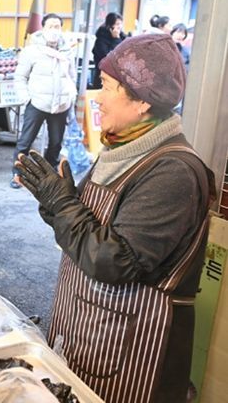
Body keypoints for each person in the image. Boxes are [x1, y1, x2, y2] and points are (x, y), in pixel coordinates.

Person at [16, 34, 214, 403]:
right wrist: (55, 203)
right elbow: (88, 231)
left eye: (107, 87)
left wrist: (64, 205)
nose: (98, 97)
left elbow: (116, 259)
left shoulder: (173, 172)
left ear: (142, 101)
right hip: (89, 330)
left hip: (132, 349)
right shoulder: (122, 147)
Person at [10, 13, 77, 189]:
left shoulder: (67, 51)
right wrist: (27, 99)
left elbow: (71, 77)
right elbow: (20, 77)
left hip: (60, 105)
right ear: (43, 28)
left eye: (57, 26)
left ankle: (48, 176)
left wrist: (70, 96)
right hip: (37, 103)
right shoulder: (32, 51)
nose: (54, 30)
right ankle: (18, 174)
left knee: (55, 143)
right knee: (25, 141)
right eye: (50, 26)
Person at [91, 12, 126, 89]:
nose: (119, 26)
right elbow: (108, 56)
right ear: (110, 25)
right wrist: (116, 39)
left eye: (120, 24)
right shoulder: (101, 39)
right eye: (117, 24)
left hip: (119, 76)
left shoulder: (122, 36)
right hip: (104, 77)